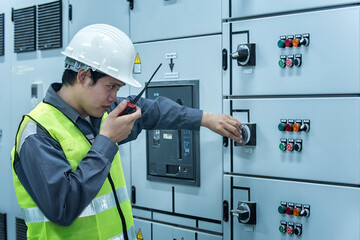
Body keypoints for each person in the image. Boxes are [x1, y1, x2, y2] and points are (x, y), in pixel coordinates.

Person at [11, 24, 242, 240]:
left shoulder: (98, 112)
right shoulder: (38, 132)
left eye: (118, 89)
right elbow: (63, 207)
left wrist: (205, 119)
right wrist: (107, 141)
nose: (114, 97)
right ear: (83, 76)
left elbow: (152, 110)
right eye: (110, 87)